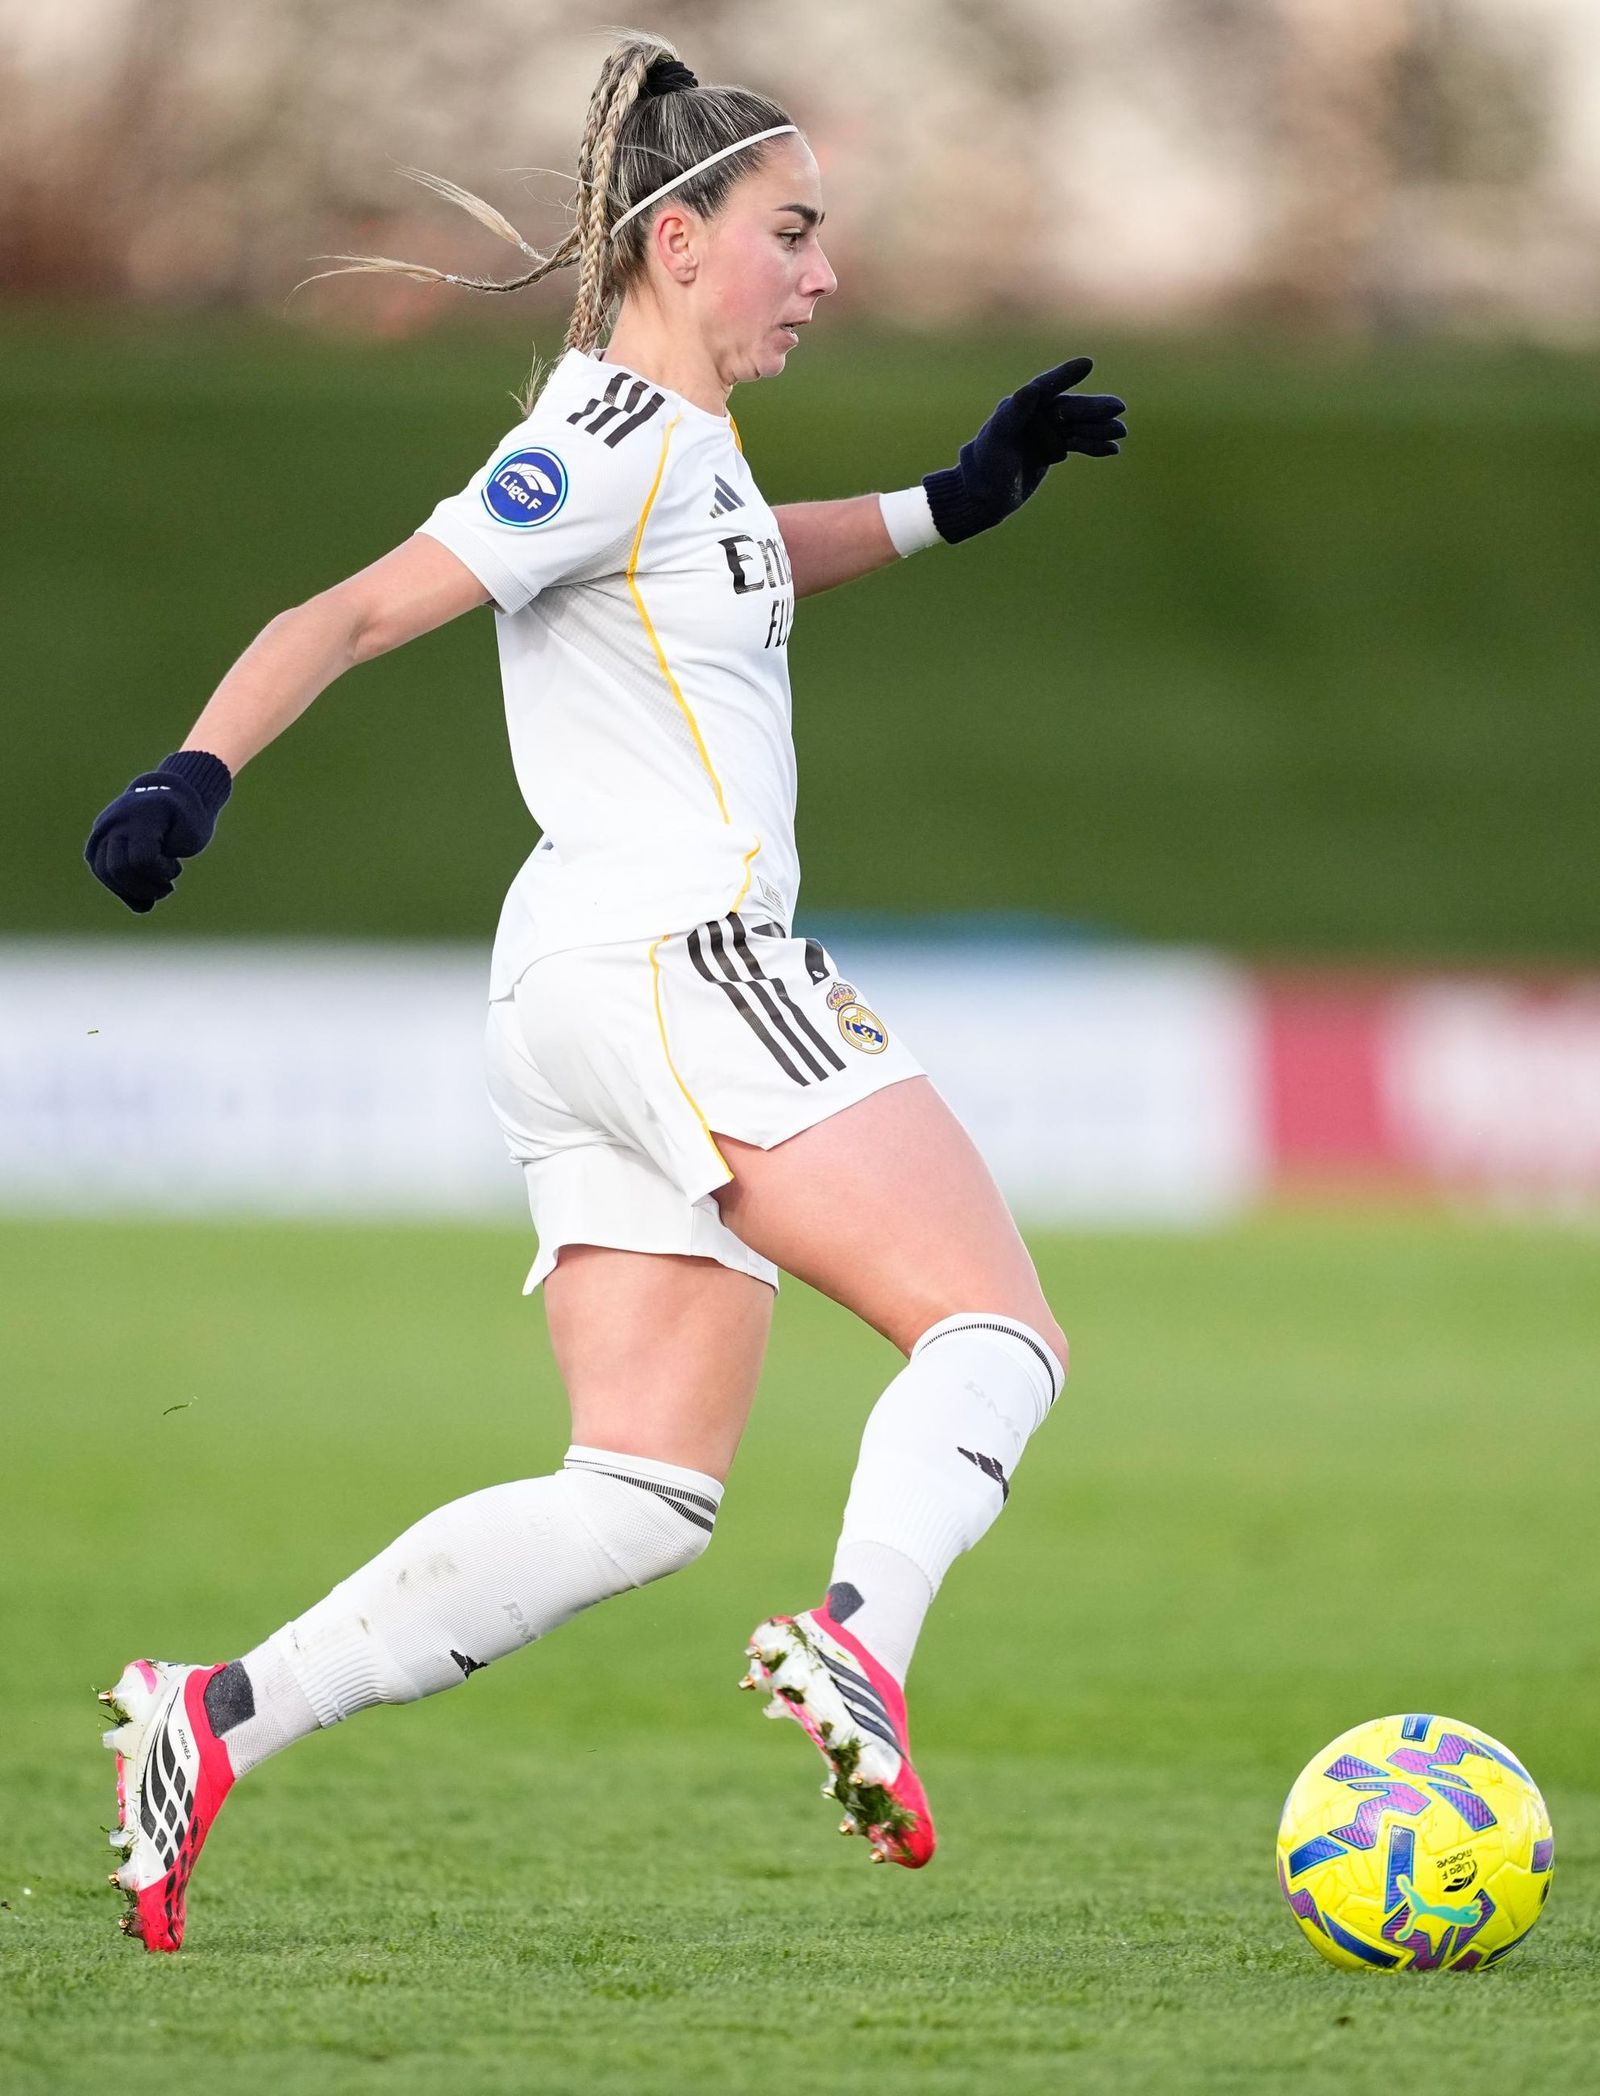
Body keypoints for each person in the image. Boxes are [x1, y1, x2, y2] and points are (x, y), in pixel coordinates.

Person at [84, 34, 1125, 1953]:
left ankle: (215, 1718)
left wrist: (949, 503)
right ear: (675, 238)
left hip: (572, 987)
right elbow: (359, 607)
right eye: (792, 234)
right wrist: (194, 771)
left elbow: (741, 565)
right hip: (682, 961)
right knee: (998, 1334)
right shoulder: (601, 439)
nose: (822, 274)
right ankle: (861, 1641)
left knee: (639, 1491)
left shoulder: (677, 454)